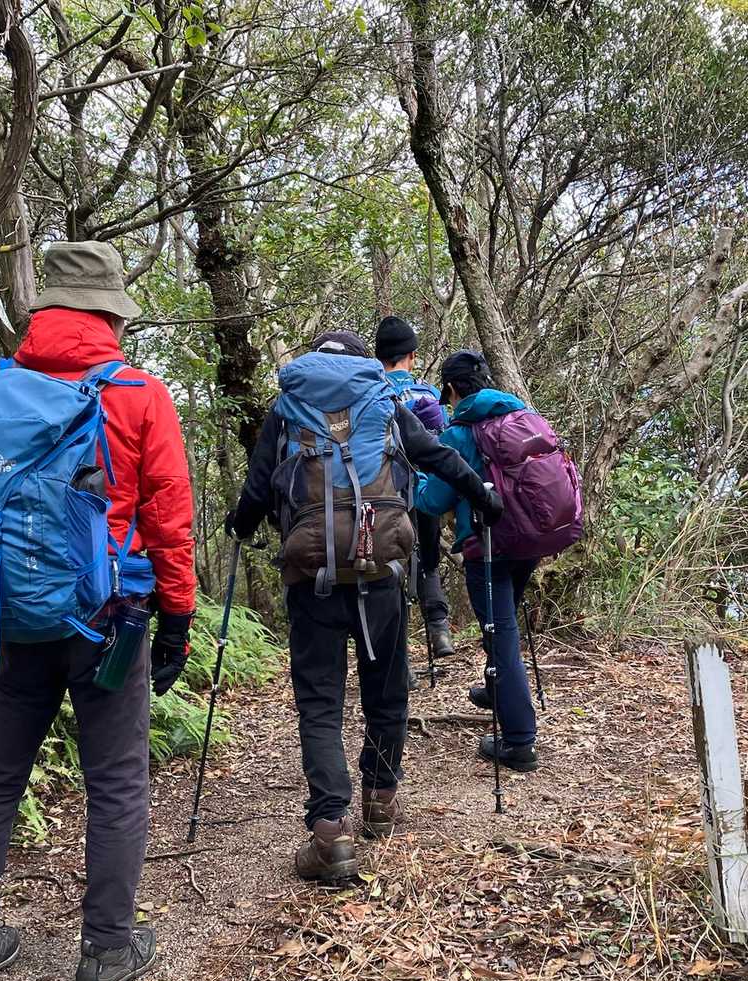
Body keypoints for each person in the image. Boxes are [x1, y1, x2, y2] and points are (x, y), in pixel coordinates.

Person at [0, 241, 196, 981]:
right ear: (110, 315)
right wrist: (177, 616)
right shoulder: (138, 394)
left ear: (44, 311)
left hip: (12, 616)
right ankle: (106, 949)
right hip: (107, 615)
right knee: (114, 778)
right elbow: (168, 518)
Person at [226, 330, 501, 882]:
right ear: (361, 364)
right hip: (381, 572)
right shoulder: (386, 404)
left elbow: (258, 489)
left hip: (312, 577)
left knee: (320, 702)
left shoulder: (287, 409)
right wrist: (485, 498)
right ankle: (379, 800)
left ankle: (330, 830)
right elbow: (439, 456)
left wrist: (240, 527)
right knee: (386, 688)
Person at [415, 350, 541, 772]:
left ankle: (519, 742)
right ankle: (496, 687)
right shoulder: (522, 415)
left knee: (501, 637)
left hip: (488, 546)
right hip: (530, 538)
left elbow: (432, 502)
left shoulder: (461, 433)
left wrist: (416, 478)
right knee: (501, 628)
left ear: (451, 388)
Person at [374, 316, 455, 660]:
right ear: (412, 355)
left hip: (386, 491)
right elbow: (446, 440)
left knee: (392, 563)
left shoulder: (372, 393)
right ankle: (439, 629)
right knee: (429, 558)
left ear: (379, 356)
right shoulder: (430, 394)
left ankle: (400, 658)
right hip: (426, 487)